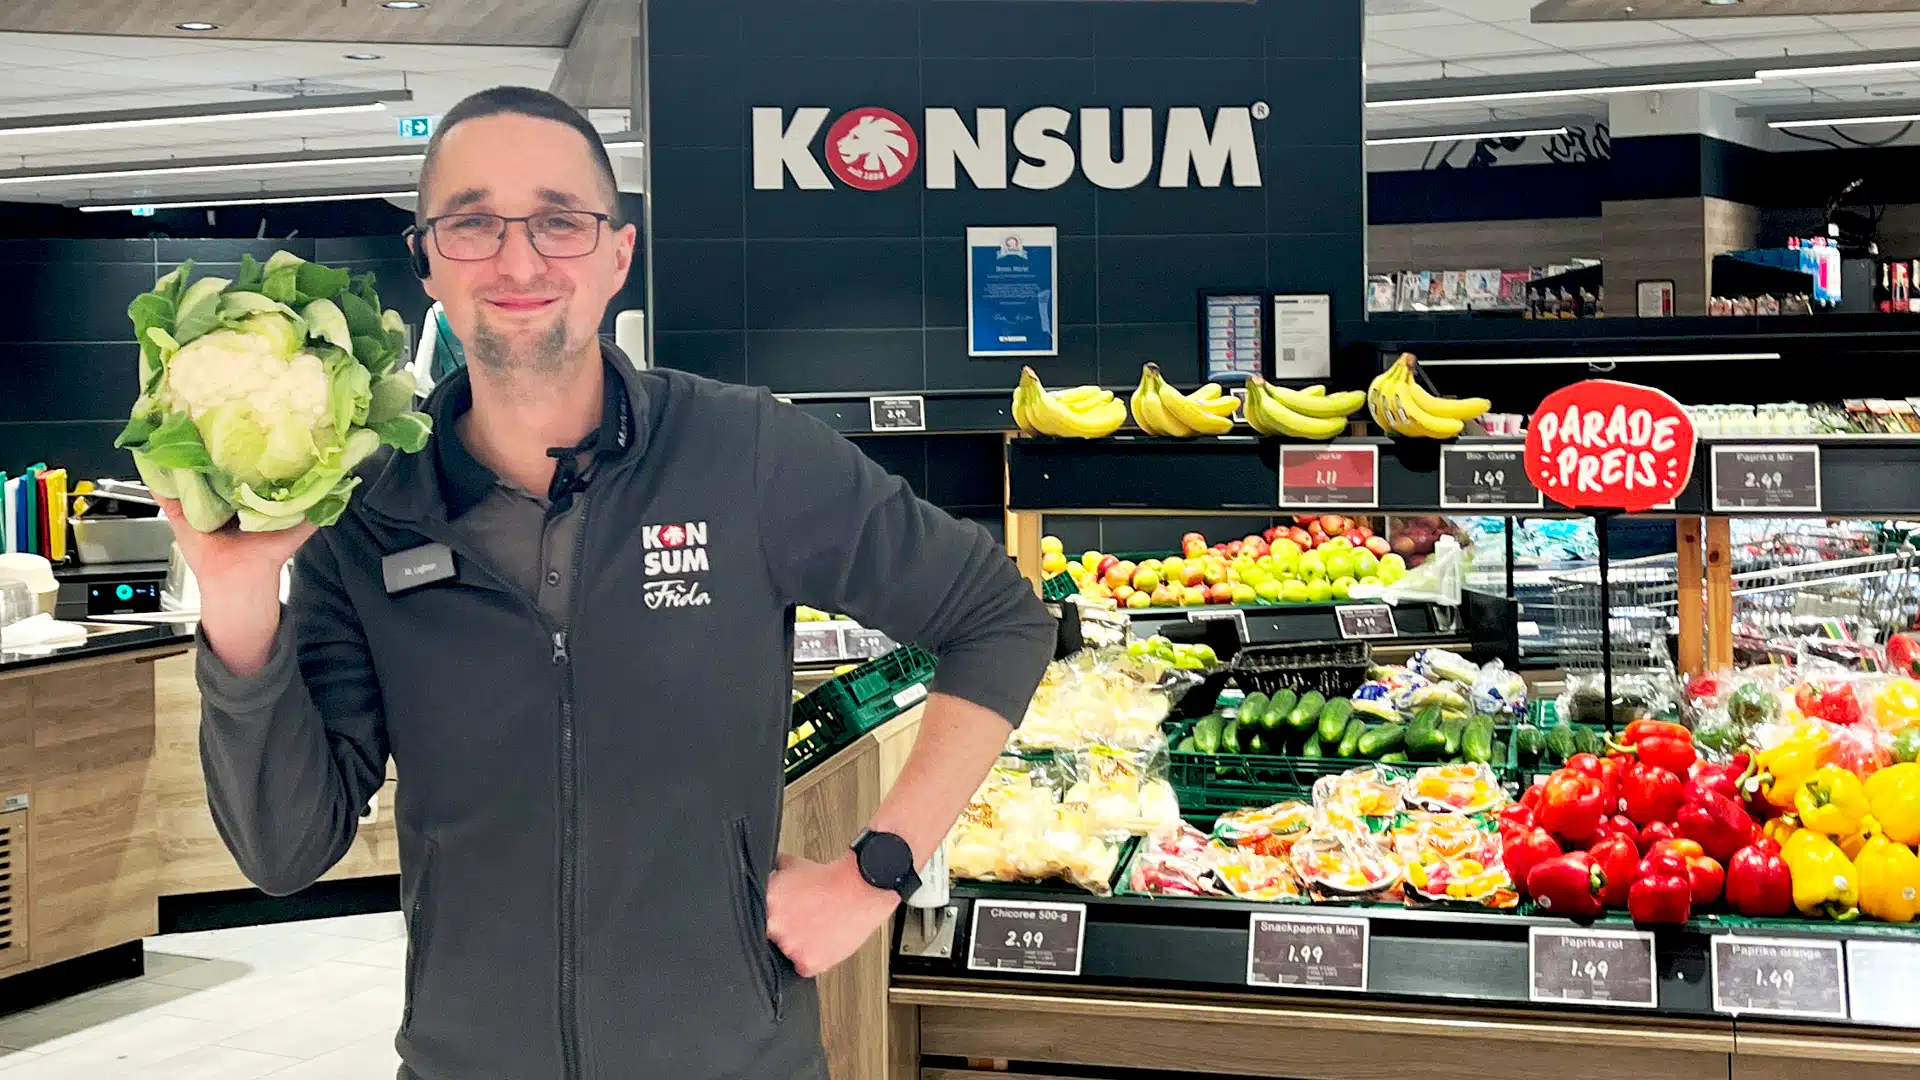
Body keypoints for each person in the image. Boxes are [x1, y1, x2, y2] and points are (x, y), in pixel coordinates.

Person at [167, 85, 1055, 1080]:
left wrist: (875, 873)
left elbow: (999, 617)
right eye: (471, 224)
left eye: (559, 220)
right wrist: (239, 602)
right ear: (425, 258)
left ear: (619, 255)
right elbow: (286, 854)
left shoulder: (743, 451)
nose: (518, 259)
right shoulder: (366, 516)